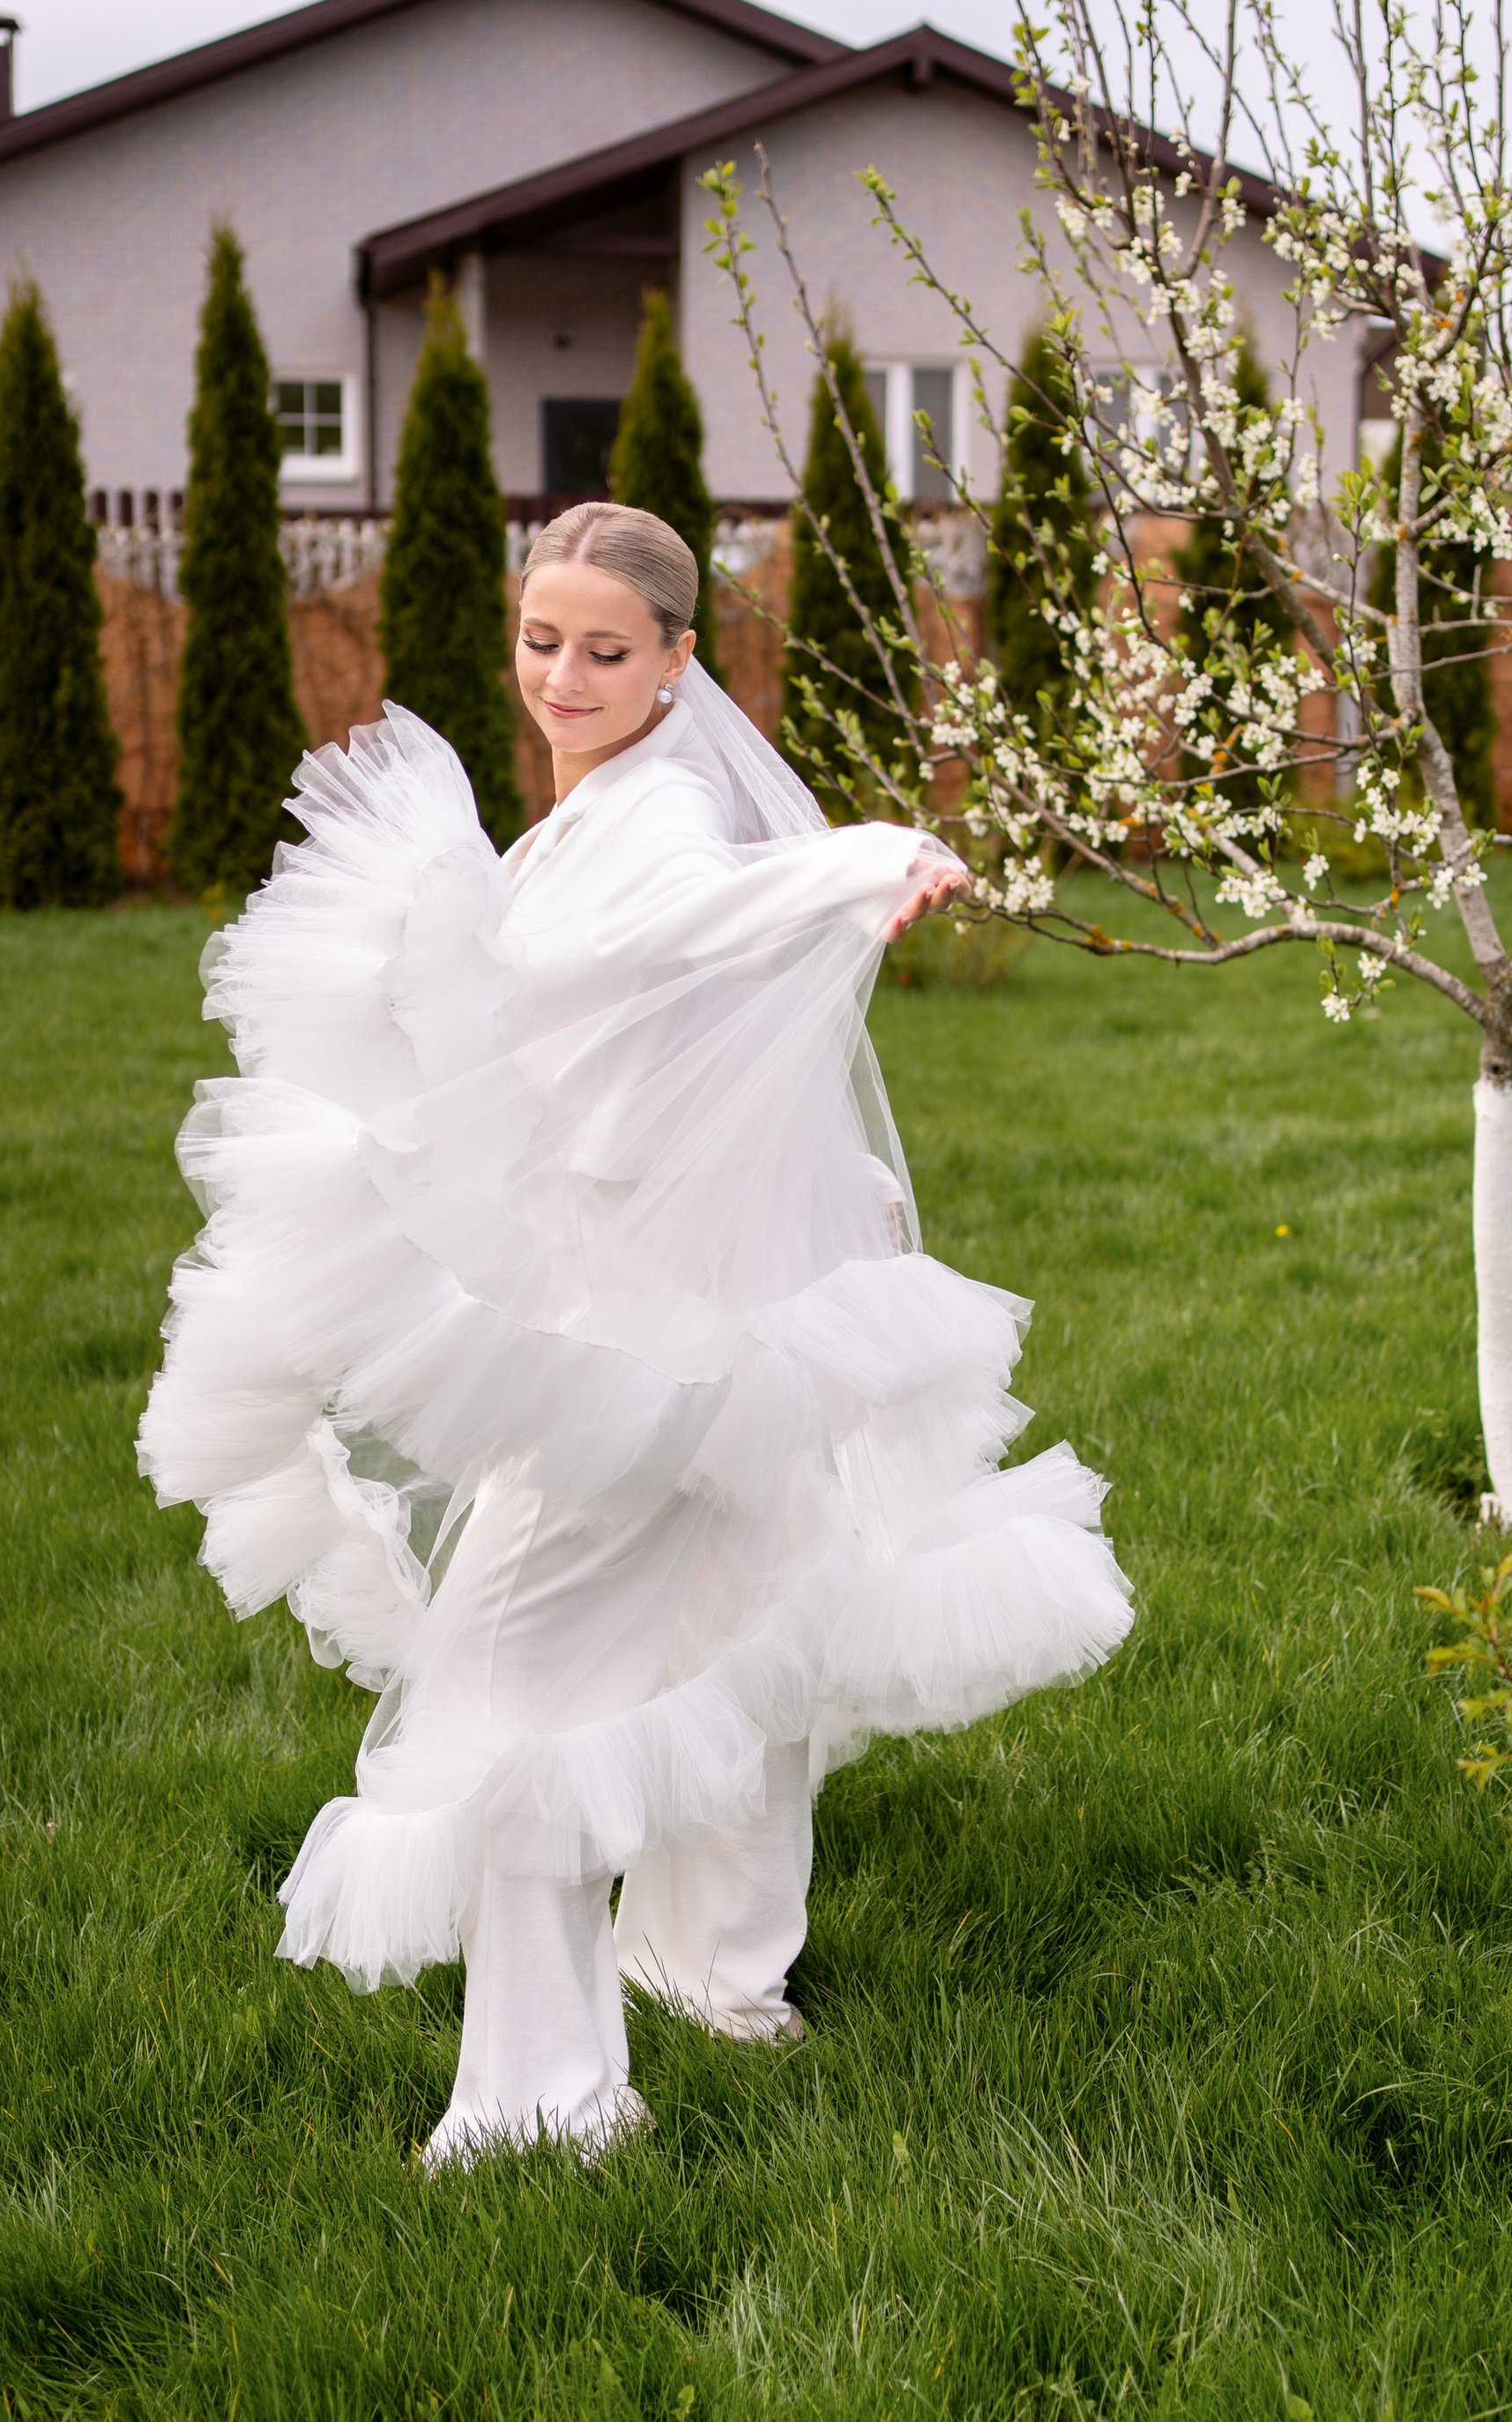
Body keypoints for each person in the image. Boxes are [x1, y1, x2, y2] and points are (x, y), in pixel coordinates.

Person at [138, 501, 1130, 2161]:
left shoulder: (657, 817)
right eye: (543, 643)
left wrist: (848, 857)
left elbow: (677, 923)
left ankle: (548, 2102)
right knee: (738, 1633)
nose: (565, 678)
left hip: (624, 1352)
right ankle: (713, 1973)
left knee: (513, 1693)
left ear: (679, 658)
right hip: (690, 1331)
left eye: (608, 649)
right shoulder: (581, 817)